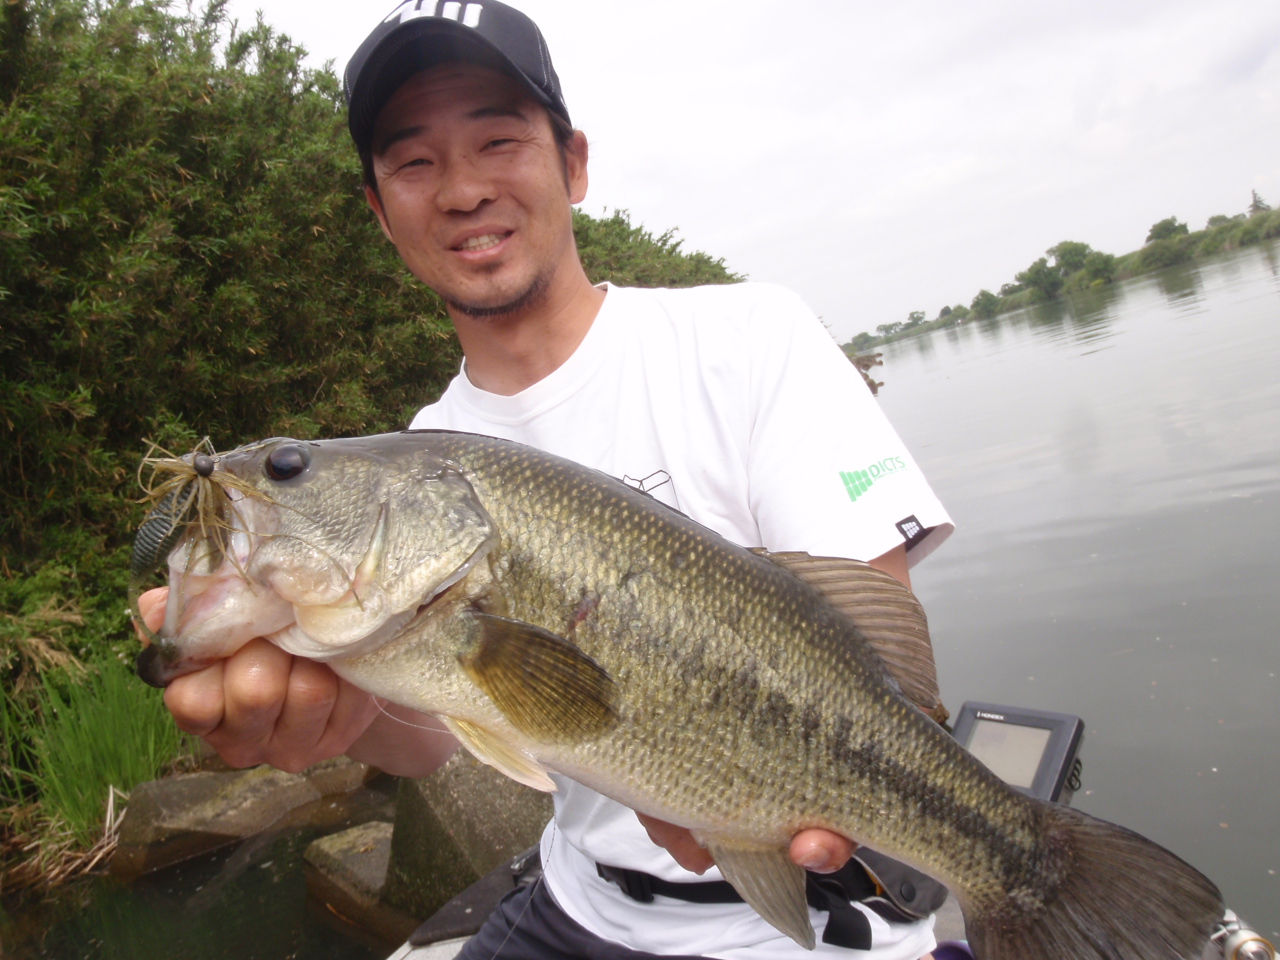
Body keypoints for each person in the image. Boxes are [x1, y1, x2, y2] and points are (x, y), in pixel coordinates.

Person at [138, 2, 955, 958]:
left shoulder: (751, 339)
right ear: (379, 210)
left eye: (498, 140)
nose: (463, 189)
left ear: (572, 163)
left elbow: (873, 664)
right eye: (414, 162)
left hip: (806, 918)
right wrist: (337, 714)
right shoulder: (426, 449)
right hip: (576, 903)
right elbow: (431, 740)